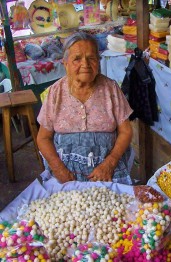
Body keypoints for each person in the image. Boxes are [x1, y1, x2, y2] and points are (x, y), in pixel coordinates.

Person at [37, 31, 133, 184]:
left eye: (91, 58)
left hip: (107, 171)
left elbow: (126, 131)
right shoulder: (56, 92)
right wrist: (58, 169)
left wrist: (110, 163)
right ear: (65, 63)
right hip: (65, 173)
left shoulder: (111, 88)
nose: (85, 65)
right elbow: (43, 137)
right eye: (77, 59)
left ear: (98, 61)